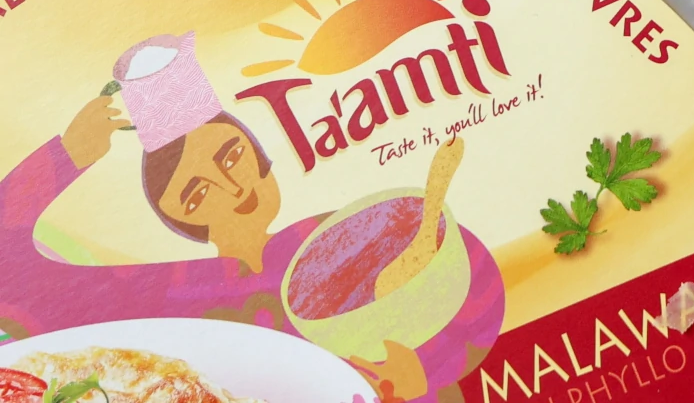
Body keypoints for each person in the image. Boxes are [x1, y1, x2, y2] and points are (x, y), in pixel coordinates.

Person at [0, 55, 503, 403]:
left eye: (231, 155)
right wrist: (65, 157)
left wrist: (422, 379)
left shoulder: (344, 238)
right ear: (180, 219)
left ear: (258, 151)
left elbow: (477, 293)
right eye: (196, 193)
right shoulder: (163, 296)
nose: (230, 186)